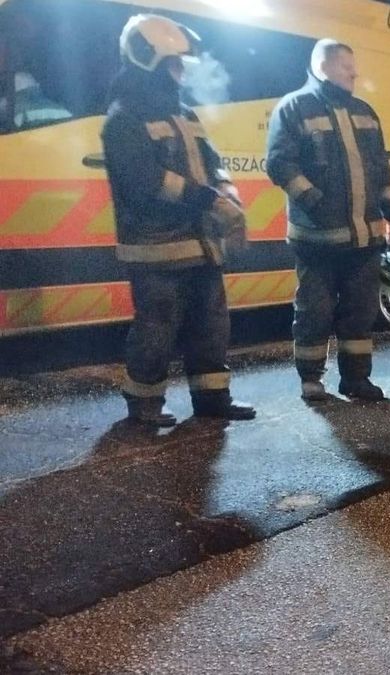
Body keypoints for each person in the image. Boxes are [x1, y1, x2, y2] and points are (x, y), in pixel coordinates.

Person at [102, 14, 255, 426]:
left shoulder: (185, 114)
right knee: (157, 328)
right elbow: (146, 182)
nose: (180, 71)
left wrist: (227, 190)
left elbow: (212, 160)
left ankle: (213, 399)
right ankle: (144, 404)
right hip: (156, 247)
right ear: (147, 60)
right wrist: (209, 200)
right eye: (173, 63)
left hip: (201, 243)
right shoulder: (123, 119)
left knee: (211, 326)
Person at [266, 39, 390, 402]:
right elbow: (279, 163)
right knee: (314, 311)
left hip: (364, 239)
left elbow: (381, 170)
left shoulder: (365, 112)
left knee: (359, 313)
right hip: (316, 239)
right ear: (323, 67)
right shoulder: (294, 107)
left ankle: (356, 379)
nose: (355, 73)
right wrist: (314, 201)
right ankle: (311, 379)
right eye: (347, 66)